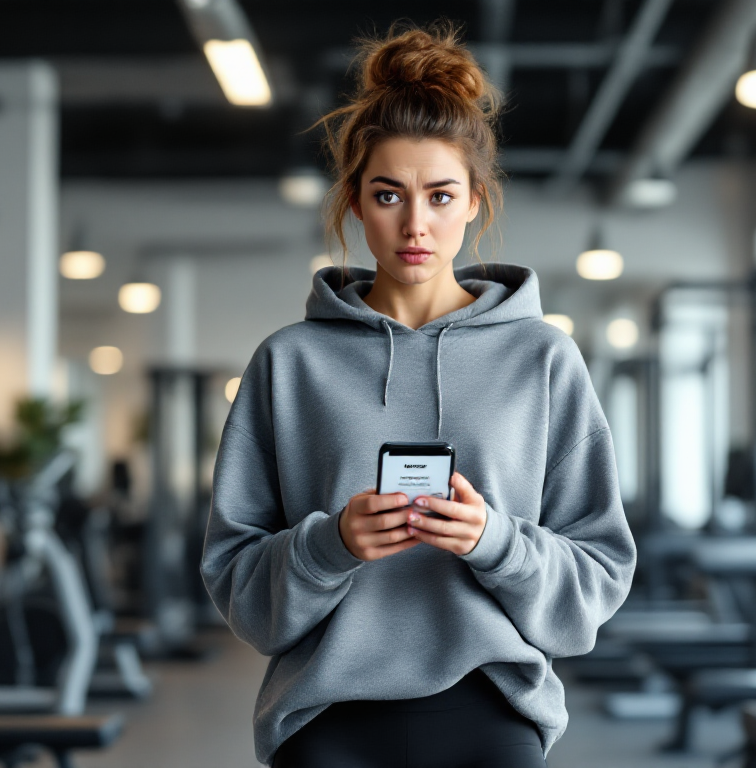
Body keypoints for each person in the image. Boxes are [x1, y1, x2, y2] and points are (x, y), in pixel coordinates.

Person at [200, 23, 636, 768]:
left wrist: (496, 542)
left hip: (492, 711)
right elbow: (236, 582)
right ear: (354, 203)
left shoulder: (544, 359)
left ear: (474, 202)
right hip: (325, 716)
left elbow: (597, 576)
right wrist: (330, 545)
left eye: (440, 196)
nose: (414, 224)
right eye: (388, 195)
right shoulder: (289, 363)